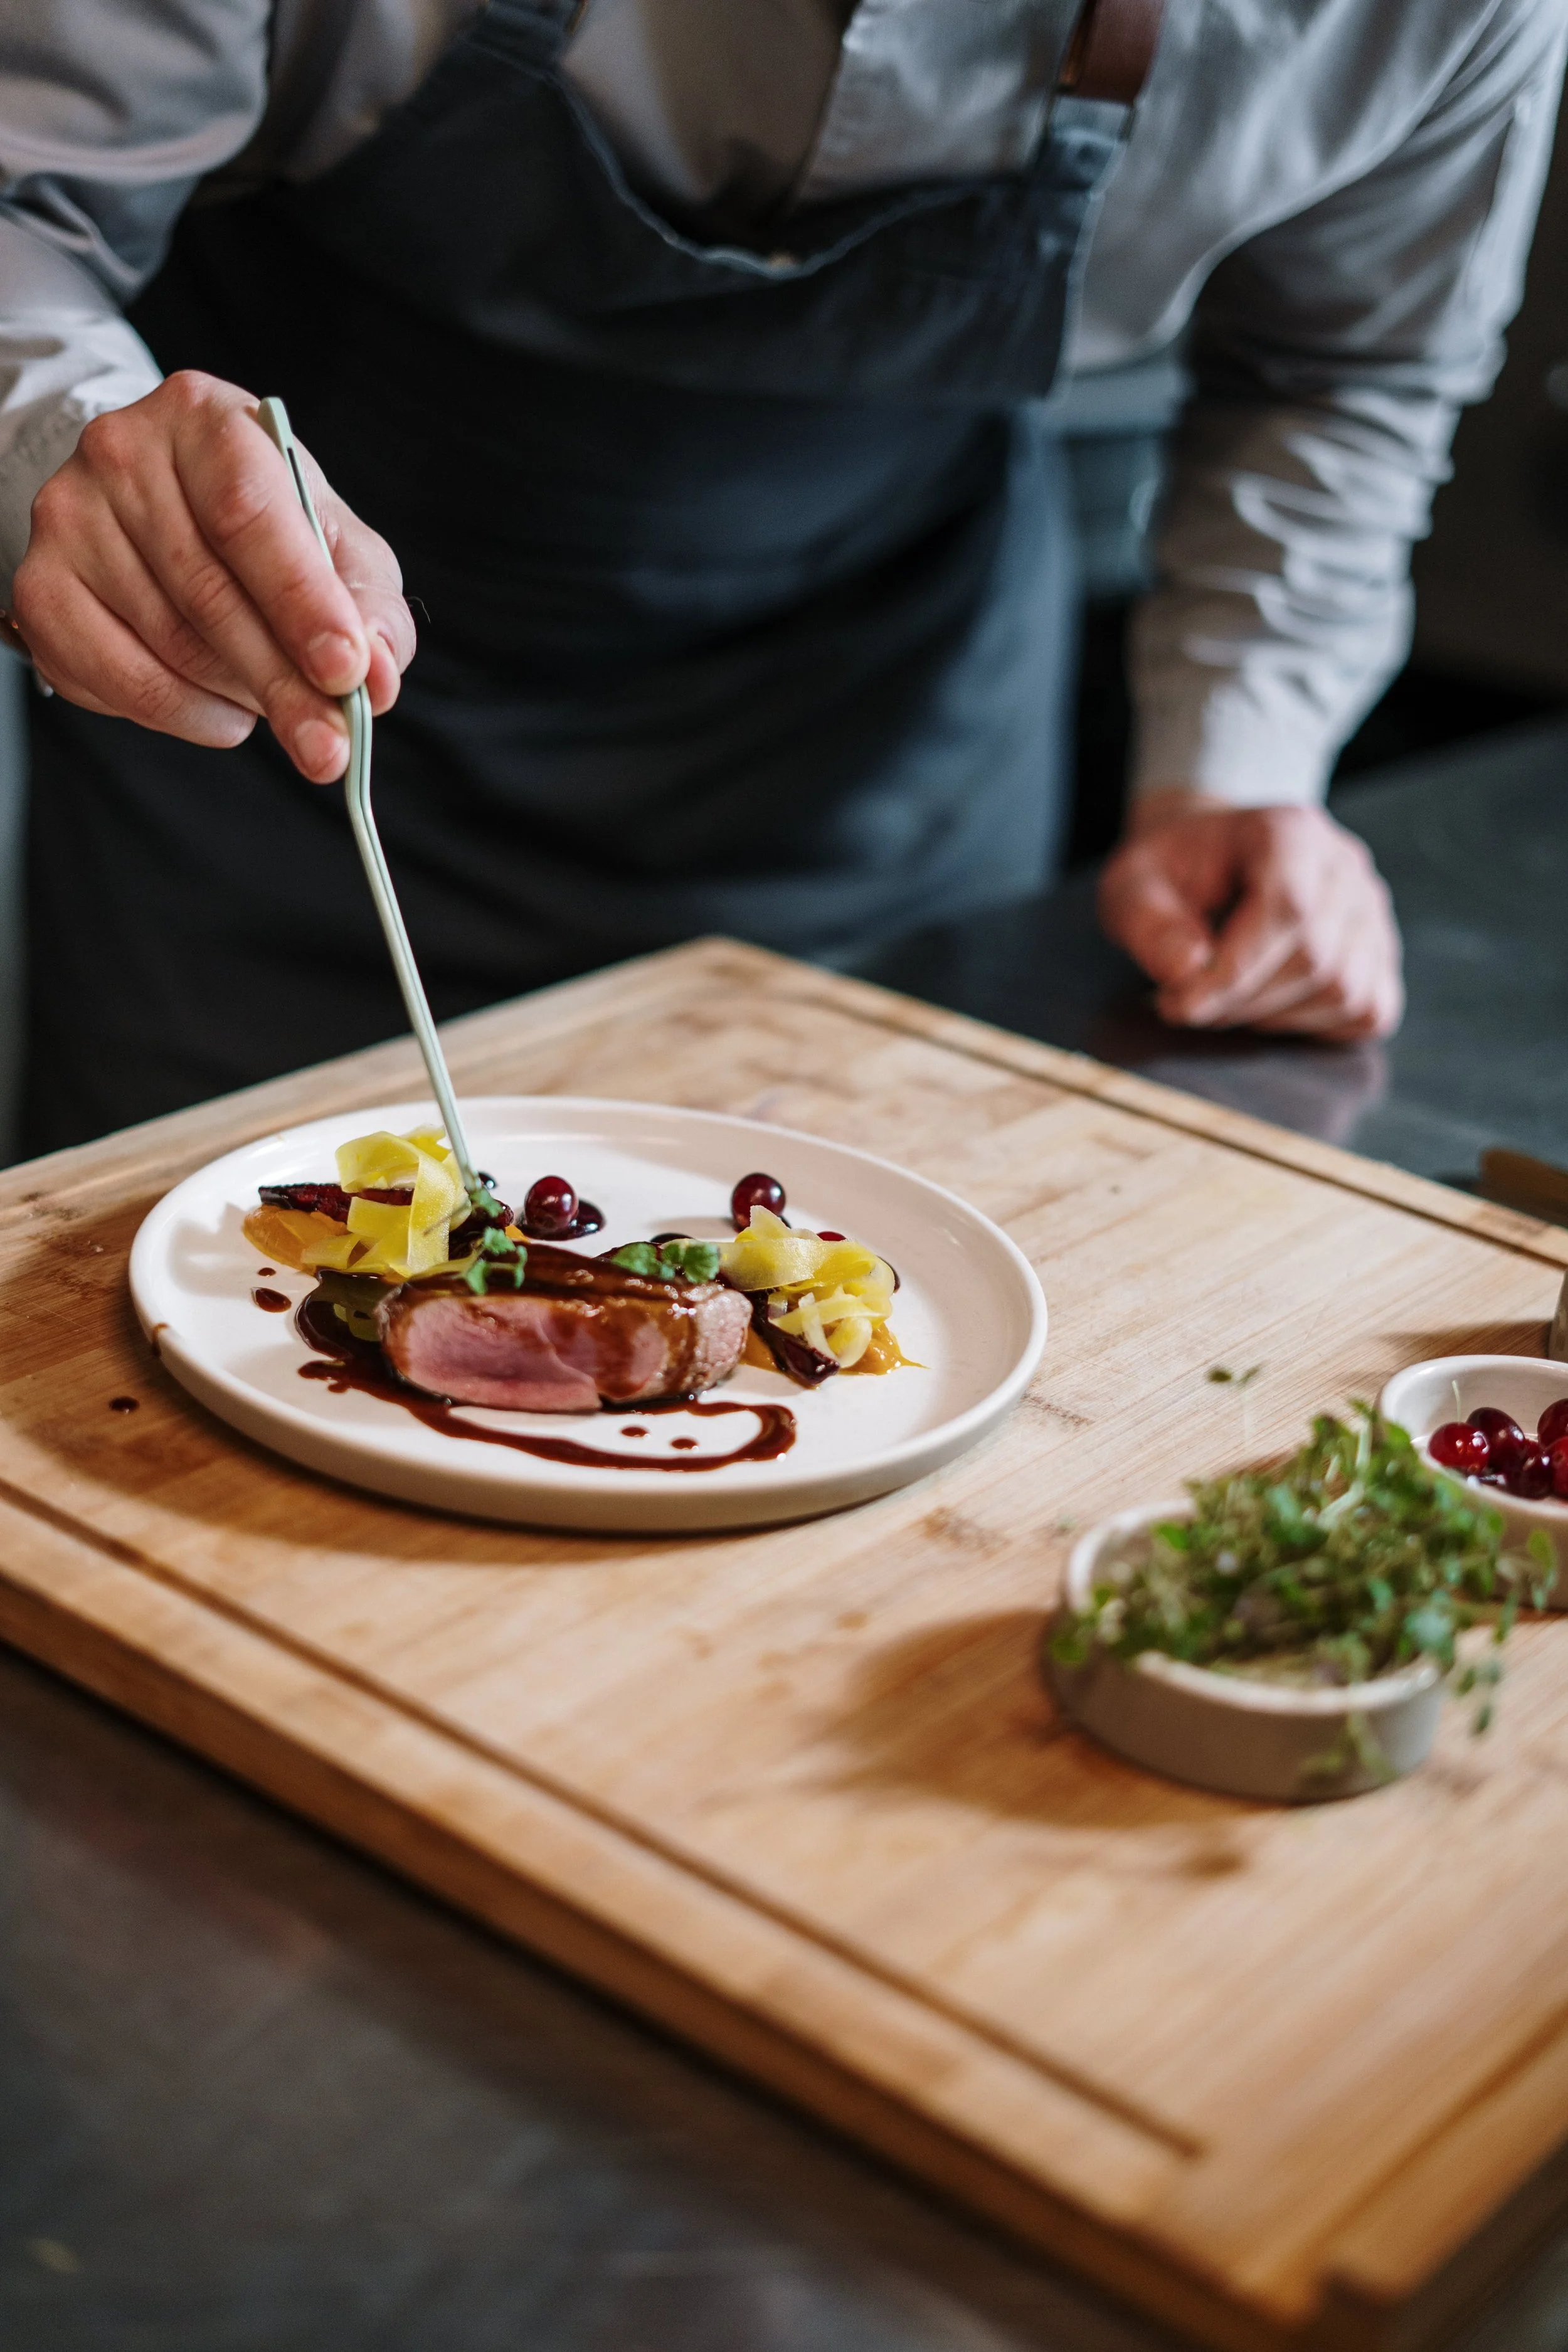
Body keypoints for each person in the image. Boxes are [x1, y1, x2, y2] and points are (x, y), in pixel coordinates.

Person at [0, 0, 1562, 1150]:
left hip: (882, 734)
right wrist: (63, 434)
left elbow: (1337, 371)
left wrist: (1238, 763)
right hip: (265, 727)